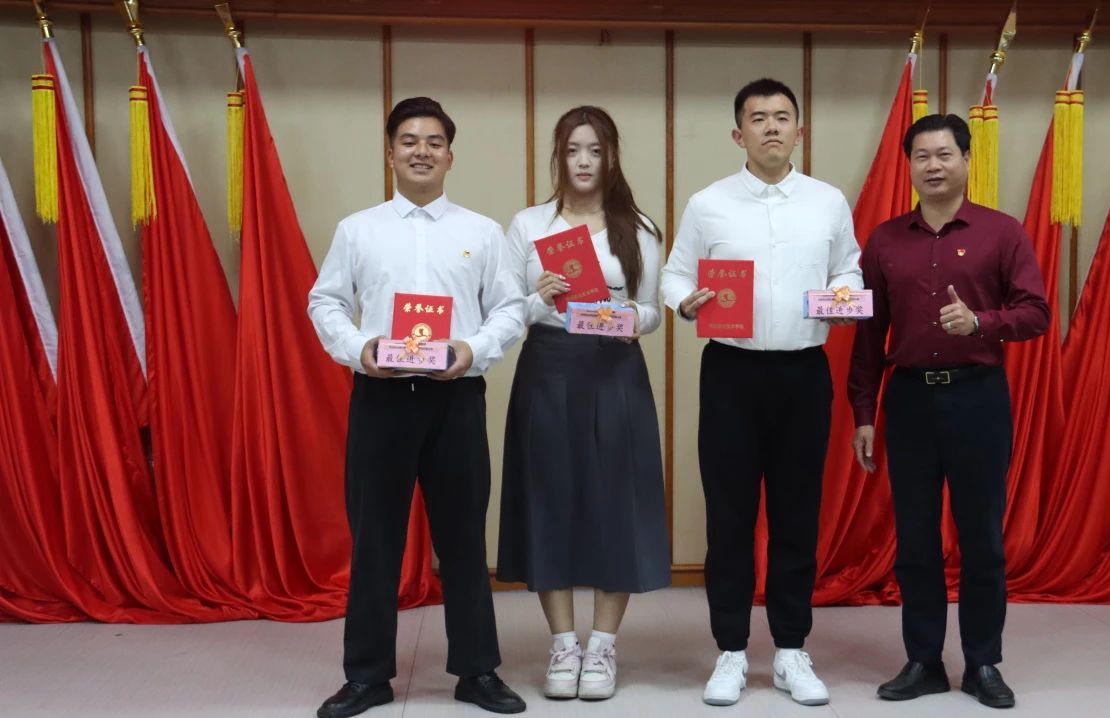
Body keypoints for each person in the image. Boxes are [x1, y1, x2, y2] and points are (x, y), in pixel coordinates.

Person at [308, 96, 528, 717]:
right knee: (375, 540)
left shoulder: (481, 232)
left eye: (434, 142)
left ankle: (477, 671)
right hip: (381, 398)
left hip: (455, 398)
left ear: (451, 156)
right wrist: (361, 347)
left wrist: (471, 348)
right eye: (409, 141)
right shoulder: (358, 230)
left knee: (463, 540)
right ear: (390, 154)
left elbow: (510, 308)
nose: (421, 151)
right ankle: (366, 676)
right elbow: (325, 301)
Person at [660, 78, 861, 708]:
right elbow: (674, 274)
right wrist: (685, 303)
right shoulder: (709, 203)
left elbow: (848, 266)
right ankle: (729, 650)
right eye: (758, 118)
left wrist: (845, 293)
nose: (771, 127)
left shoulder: (827, 201)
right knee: (730, 517)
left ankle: (792, 650)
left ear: (799, 131)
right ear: (738, 133)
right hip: (731, 374)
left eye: (782, 117)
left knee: (797, 515)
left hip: (804, 374)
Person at [848, 113, 1051, 710]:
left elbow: (1036, 312)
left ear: (966, 159)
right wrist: (864, 411)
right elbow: (868, 335)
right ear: (909, 167)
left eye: (944, 154)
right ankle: (924, 661)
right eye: (922, 156)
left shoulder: (1002, 233)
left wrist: (981, 322)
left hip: (977, 398)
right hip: (909, 399)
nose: (933, 166)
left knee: (982, 537)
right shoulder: (885, 240)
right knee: (914, 539)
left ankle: (984, 662)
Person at [497, 105, 670, 702]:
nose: (584, 161)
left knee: (616, 501)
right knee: (549, 499)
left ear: (612, 156)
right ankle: (563, 643)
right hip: (548, 368)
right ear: (558, 156)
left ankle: (603, 645)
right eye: (573, 150)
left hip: (615, 370)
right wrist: (537, 297)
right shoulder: (530, 224)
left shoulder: (639, 227)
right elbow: (506, 310)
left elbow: (653, 310)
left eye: (596, 150)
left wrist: (631, 319)